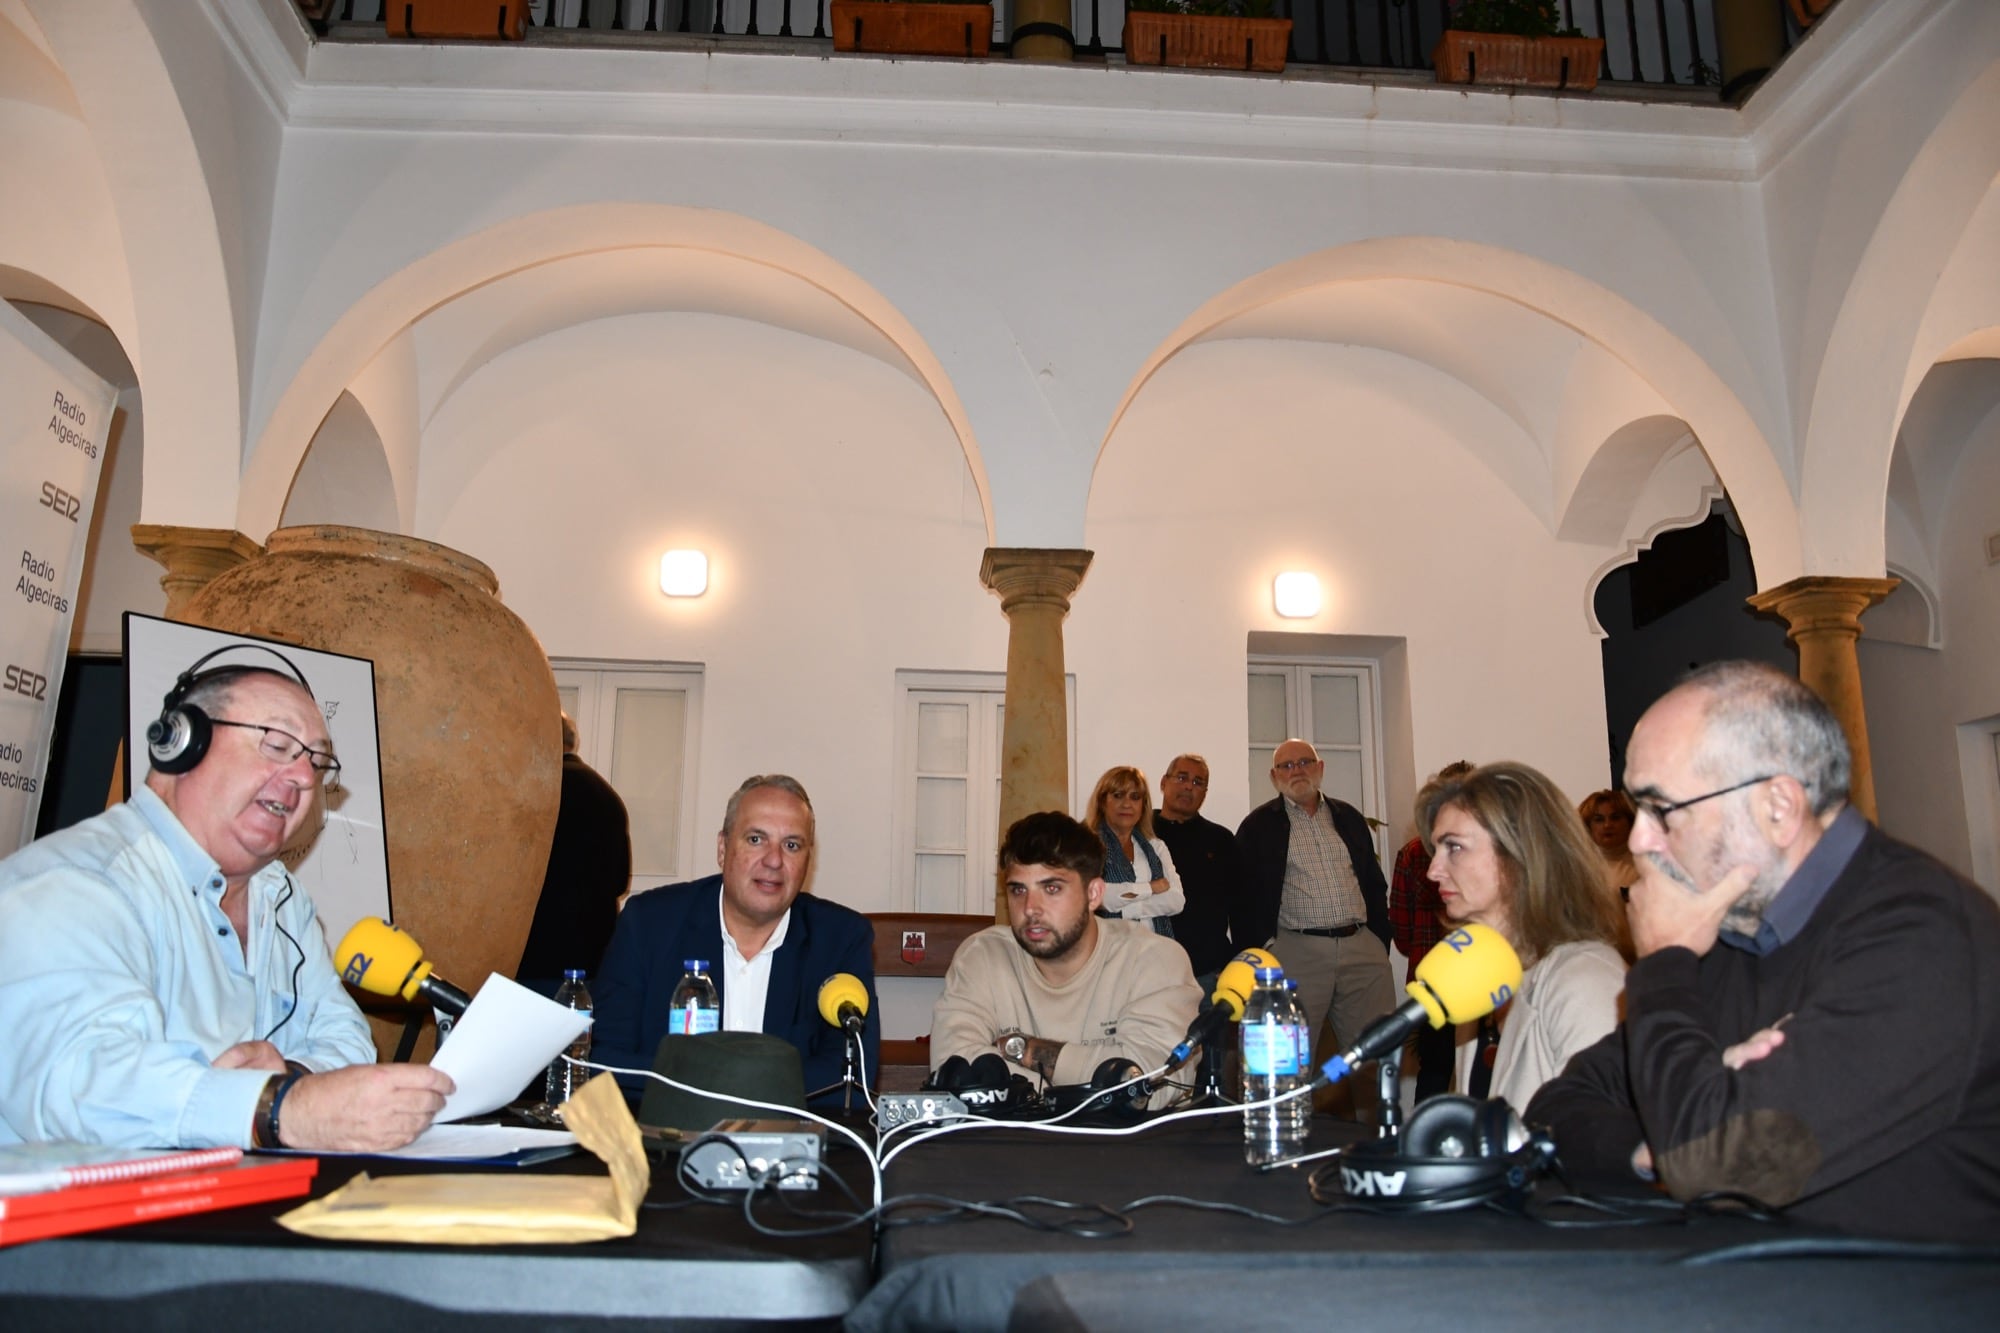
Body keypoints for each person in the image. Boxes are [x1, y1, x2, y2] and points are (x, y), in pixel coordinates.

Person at [1527, 662, 2000, 1241]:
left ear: (1778, 807)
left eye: (1661, 809)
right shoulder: (1732, 934)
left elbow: (1718, 1168)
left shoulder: (1923, 937)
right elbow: (1557, 1108)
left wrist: (1664, 964)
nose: (1637, 841)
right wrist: (1656, 1147)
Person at [0, 662, 452, 1151]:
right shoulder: (75, 884)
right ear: (180, 743)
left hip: (226, 1210)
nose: (304, 776)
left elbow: (345, 1040)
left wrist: (292, 1078)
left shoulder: (281, 899)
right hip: (66, 1221)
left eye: (317, 762)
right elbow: (80, 1085)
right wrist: (275, 1109)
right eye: (278, 746)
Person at [592, 774, 879, 1105]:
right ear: (722, 848)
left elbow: (852, 1079)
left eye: (791, 845)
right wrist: (732, 1083)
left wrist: (721, 1081)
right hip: (665, 1145)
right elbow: (604, 1062)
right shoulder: (649, 924)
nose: (773, 861)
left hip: (787, 1146)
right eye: (756, 839)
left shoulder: (841, 939)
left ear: (807, 862)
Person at [930, 812, 1202, 1104]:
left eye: (1052, 888)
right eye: (1018, 890)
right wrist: (1093, 1077)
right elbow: (958, 1074)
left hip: (1129, 1149)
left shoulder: (1154, 960)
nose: (1031, 908)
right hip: (1014, 1146)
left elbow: (1151, 1086)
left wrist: (1024, 1051)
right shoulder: (982, 956)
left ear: (1094, 893)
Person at [1421, 762, 1628, 1111]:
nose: (1433, 870)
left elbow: (1607, 1146)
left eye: (1453, 847)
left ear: (1519, 853)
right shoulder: (1481, 974)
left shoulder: (1587, 979)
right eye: (1436, 850)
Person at [1236, 738, 1396, 1118]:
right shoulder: (1258, 825)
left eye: (1305, 762)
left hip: (1361, 949)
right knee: (1286, 1062)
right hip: (1296, 953)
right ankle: (1286, 1145)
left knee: (1377, 1055)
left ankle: (1378, 1141)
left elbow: (1372, 882)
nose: (1297, 771)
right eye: (1287, 766)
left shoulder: (1348, 817)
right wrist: (1262, 950)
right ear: (1274, 776)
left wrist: (1378, 940)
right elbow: (1242, 896)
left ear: (1320, 768)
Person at [516, 710, 632, 992]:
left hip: (536, 952)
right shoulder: (606, 794)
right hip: (593, 952)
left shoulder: (532, 792)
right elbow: (619, 881)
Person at [1389, 760, 1475, 1102]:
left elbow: (1402, 928)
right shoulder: (1413, 854)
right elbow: (1401, 925)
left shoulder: (1497, 847)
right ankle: (1424, 1142)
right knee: (1437, 1068)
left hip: (1482, 974)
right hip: (1435, 981)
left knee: (1479, 1067)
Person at [1151, 754, 1241, 983]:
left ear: (1204, 793)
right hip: (1149, 970)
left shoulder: (1221, 839)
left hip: (1208, 971)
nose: (1189, 786)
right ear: (1163, 783)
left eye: (1198, 782)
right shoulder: (1140, 834)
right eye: (1182, 777)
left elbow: (1239, 906)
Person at [1082, 766, 1184, 935]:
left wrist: (1127, 910)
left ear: (1143, 806)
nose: (1127, 804)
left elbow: (1176, 900)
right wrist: (1150, 888)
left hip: (1156, 949)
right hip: (1108, 950)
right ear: (1102, 802)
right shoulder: (1085, 845)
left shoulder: (1156, 847)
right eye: (1118, 795)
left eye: (1135, 797)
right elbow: (1098, 896)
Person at [1577, 788, 1639, 899]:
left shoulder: (1647, 866)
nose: (1607, 825)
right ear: (1588, 826)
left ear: (1630, 823)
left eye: (1615, 818)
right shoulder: (1577, 866)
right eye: (1599, 819)